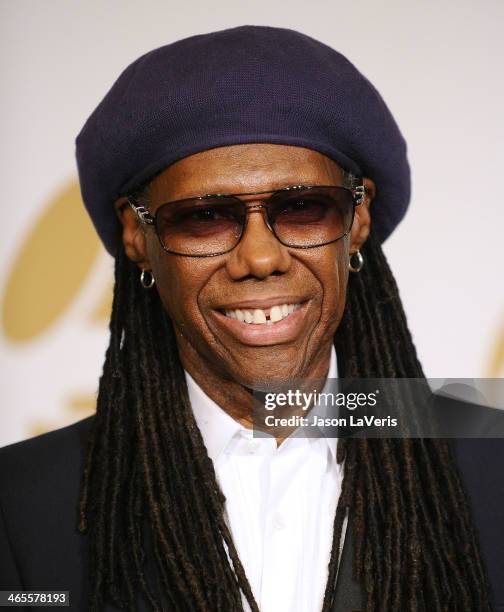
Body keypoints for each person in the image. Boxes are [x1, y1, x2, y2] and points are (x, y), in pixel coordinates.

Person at [0, 25, 502, 612]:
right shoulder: (20, 503)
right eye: (205, 216)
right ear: (138, 235)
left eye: (303, 207)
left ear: (358, 219)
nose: (261, 258)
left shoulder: (494, 463)